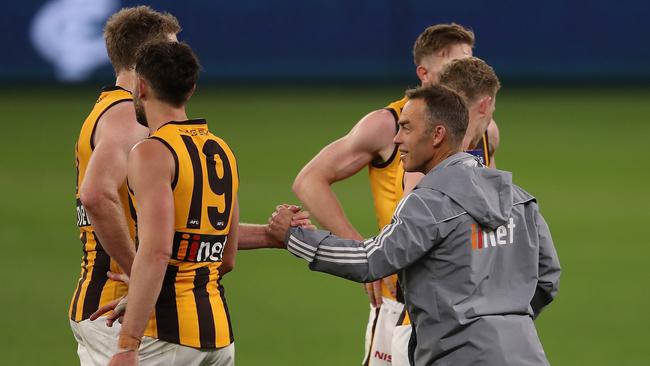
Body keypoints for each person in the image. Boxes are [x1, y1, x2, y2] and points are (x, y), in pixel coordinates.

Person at [271, 85, 560, 365]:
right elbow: (547, 277)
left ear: (437, 135)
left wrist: (294, 237)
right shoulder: (519, 199)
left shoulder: (427, 204)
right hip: (525, 353)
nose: (397, 139)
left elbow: (368, 260)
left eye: (406, 128)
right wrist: (503, 323)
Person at [292, 23, 499, 365]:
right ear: (424, 73)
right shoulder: (388, 124)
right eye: (454, 66)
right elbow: (309, 181)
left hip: (464, 302)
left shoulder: (486, 130)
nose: (464, 74)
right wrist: (363, 253)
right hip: (401, 301)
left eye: (469, 62)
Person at [107, 41, 236, 366]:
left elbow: (157, 251)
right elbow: (227, 256)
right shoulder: (221, 150)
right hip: (218, 336)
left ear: (142, 86)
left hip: (165, 337)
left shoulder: (152, 152)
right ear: (191, 89)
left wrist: (127, 344)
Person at [71, 7, 180, 365]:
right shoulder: (126, 117)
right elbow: (95, 195)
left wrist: (270, 236)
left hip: (102, 306)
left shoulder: (108, 109)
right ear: (146, 58)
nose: (179, 60)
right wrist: (139, 275)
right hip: (118, 308)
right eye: (170, 51)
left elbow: (170, 225)